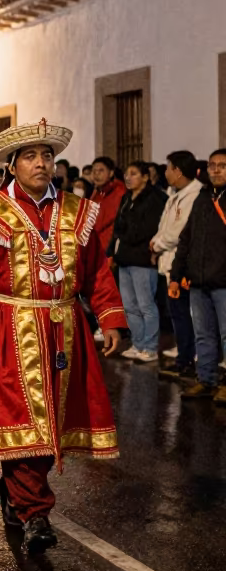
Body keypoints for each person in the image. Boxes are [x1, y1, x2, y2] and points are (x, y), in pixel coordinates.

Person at [0, 121, 126, 553]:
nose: (41, 163)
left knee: (52, 425)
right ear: (12, 166)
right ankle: (36, 513)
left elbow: (96, 271)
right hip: (8, 329)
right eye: (30, 156)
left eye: (47, 156)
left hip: (64, 328)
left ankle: (18, 493)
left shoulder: (76, 211)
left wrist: (110, 318)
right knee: (20, 421)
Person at [171, 149, 226, 403]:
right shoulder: (203, 198)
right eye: (212, 165)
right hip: (199, 281)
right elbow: (186, 239)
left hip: (223, 281)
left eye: (222, 165)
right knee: (203, 334)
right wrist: (176, 275)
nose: (215, 170)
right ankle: (206, 380)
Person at [109, 161, 166, 362]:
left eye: (133, 173)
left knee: (146, 305)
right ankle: (138, 343)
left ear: (145, 177)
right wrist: (113, 251)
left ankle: (150, 346)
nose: (128, 177)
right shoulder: (127, 197)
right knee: (129, 305)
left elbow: (149, 228)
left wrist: (127, 236)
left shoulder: (155, 198)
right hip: (125, 257)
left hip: (142, 257)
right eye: (126, 173)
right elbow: (118, 225)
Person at [151, 151, 202, 379]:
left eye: (168, 167)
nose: (165, 172)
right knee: (178, 315)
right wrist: (157, 243)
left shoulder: (194, 195)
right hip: (170, 262)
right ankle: (184, 358)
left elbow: (178, 232)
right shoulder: (176, 194)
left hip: (182, 266)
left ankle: (188, 361)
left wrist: (156, 244)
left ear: (178, 171)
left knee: (185, 316)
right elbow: (165, 226)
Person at [90, 156, 127, 254]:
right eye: (94, 171)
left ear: (111, 173)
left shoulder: (118, 192)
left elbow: (100, 222)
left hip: (109, 247)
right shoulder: (97, 192)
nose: (96, 174)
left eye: (101, 171)